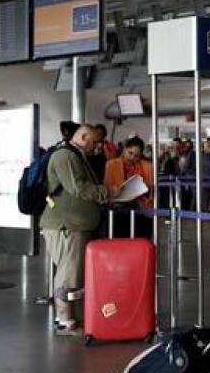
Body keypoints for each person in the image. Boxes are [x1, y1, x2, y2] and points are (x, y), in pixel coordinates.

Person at [40, 124, 119, 332]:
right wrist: (108, 192)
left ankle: (67, 316)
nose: (96, 147)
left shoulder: (75, 155)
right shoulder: (65, 156)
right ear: (83, 137)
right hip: (67, 226)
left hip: (74, 225)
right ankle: (64, 318)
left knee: (71, 271)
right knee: (68, 273)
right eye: (94, 142)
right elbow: (78, 187)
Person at [103, 136, 155, 237]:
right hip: (118, 210)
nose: (132, 158)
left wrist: (146, 188)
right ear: (124, 149)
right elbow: (107, 186)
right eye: (130, 153)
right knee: (120, 240)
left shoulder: (148, 166)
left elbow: (151, 188)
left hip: (141, 210)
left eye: (137, 156)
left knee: (140, 241)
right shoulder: (111, 165)